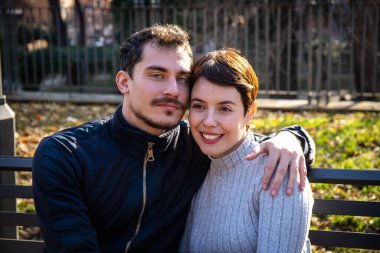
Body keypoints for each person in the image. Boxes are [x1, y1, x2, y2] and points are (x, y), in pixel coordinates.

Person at [32, 24, 315, 253]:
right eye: (157, 75)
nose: (173, 90)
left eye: (182, 78)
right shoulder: (65, 154)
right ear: (123, 82)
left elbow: (244, 144)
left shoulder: (197, 145)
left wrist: (292, 138)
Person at [180, 48, 313, 253]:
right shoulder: (197, 164)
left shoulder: (279, 170)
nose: (208, 122)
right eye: (199, 106)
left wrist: (292, 137)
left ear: (249, 113)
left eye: (224, 108)